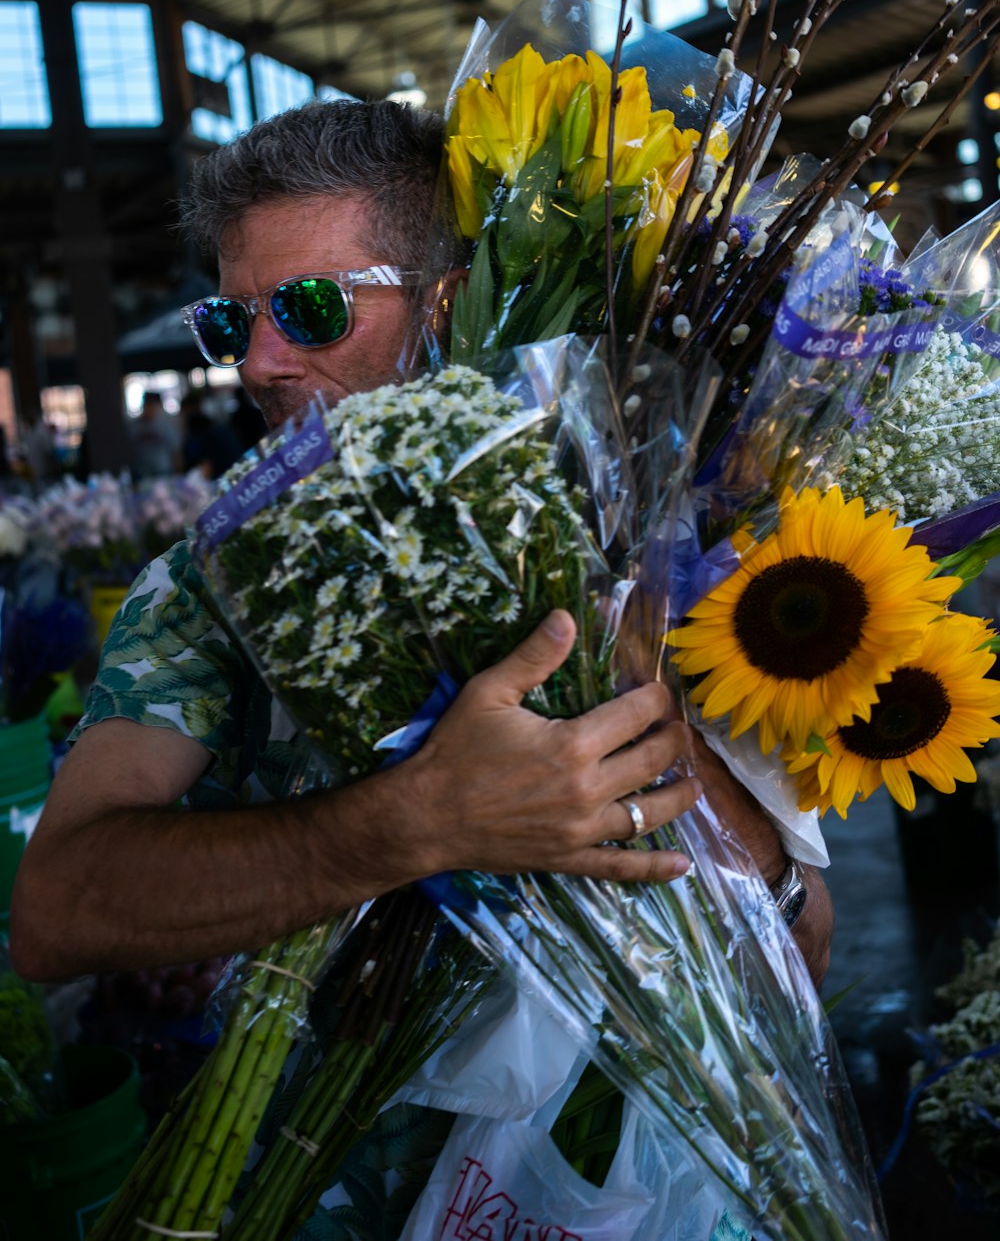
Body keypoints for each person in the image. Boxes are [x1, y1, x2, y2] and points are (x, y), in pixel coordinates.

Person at [10, 99, 832, 1224]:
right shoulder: (208, 586)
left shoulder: (663, 564)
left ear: (445, 304)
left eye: (309, 309)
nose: (257, 361)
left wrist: (632, 702)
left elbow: (804, 952)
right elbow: (57, 911)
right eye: (227, 321)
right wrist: (410, 822)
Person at [127, 391, 181, 480]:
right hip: (142, 472)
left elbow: (175, 450)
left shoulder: (165, 425)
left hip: (163, 470)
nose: (149, 408)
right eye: (147, 404)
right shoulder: (134, 426)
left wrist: (178, 472)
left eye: (152, 405)